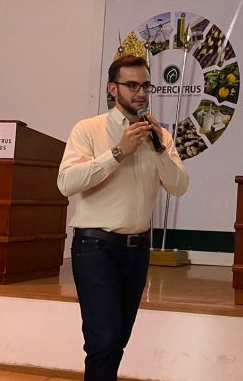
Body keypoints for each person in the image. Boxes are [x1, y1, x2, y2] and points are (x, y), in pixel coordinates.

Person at [57, 55, 189, 381]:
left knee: (117, 340)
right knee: (103, 340)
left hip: (137, 249)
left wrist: (159, 150)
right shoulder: (88, 129)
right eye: (132, 85)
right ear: (113, 89)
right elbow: (67, 183)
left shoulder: (160, 136)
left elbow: (179, 186)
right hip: (96, 247)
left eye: (145, 85)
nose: (141, 93)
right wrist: (117, 152)